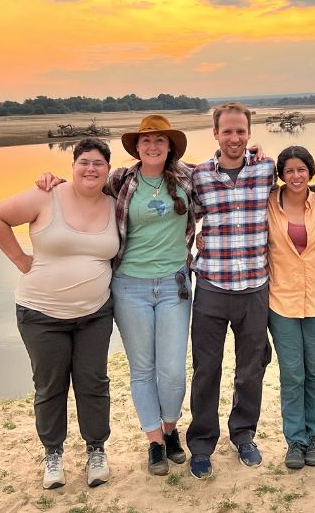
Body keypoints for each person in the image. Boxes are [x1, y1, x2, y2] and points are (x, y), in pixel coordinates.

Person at [35, 115, 195, 476]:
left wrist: (255, 151)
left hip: (175, 285)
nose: (153, 146)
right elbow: (83, 184)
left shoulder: (187, 177)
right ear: (137, 147)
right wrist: (52, 181)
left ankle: (171, 430)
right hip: (129, 286)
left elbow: (224, 168)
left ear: (170, 147)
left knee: (171, 371)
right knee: (143, 369)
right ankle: (154, 441)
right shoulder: (120, 180)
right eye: (146, 141)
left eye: (160, 141)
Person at [0, 137, 119, 490]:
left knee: (93, 382)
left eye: (98, 164)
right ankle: (53, 454)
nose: (91, 169)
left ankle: (96, 451)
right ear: (71, 166)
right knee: (50, 386)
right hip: (40, 314)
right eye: (84, 162)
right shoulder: (47, 196)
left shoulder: (115, 204)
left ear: (108, 169)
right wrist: (20, 260)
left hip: (94, 314)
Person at [186, 102, 277, 479]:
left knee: (250, 370)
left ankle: (243, 434)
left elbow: (300, 187)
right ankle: (202, 443)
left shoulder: (268, 170)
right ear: (216, 134)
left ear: (249, 133)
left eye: (241, 131)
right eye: (228, 132)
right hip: (211, 286)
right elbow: (181, 216)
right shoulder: (199, 176)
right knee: (206, 369)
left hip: (254, 287)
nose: (235, 138)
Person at [265, 145, 315, 470]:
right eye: (289, 170)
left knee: (314, 372)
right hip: (281, 301)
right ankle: (295, 439)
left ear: (310, 172)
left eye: (301, 170)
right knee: (292, 374)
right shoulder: (268, 205)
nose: (295, 176)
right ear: (281, 174)